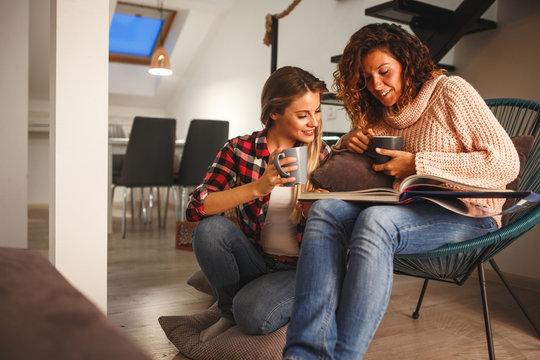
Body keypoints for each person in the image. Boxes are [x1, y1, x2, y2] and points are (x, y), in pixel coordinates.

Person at [283, 23, 520, 360]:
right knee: (325, 211)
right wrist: (345, 146)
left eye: (384, 71)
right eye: (367, 78)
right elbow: (349, 170)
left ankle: (341, 356)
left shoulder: (451, 91)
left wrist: (419, 163)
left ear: (407, 63)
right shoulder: (380, 115)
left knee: (377, 221)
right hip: (410, 208)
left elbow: (505, 164)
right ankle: (303, 354)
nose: (377, 85)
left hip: (470, 213)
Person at [185, 66, 331, 342]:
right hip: (256, 259)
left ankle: (302, 301)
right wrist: (257, 187)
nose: (314, 122)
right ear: (274, 112)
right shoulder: (239, 150)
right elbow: (197, 206)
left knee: (252, 314)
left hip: (302, 267)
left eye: (317, 111)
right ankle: (227, 312)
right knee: (209, 231)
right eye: (303, 115)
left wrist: (322, 209)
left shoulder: (322, 155)